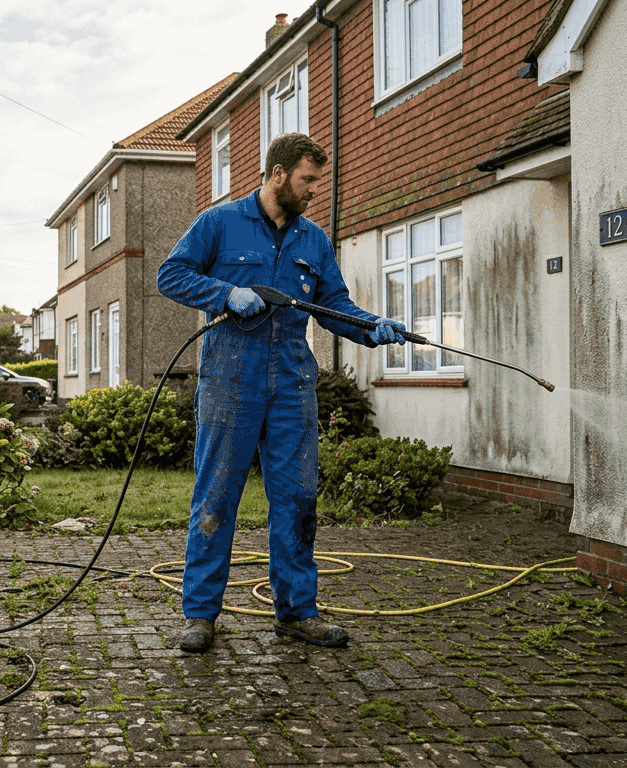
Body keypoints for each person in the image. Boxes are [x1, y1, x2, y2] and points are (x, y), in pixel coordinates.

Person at [155, 132, 407, 653]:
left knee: (296, 498)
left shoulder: (313, 240)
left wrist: (373, 327)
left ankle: (296, 612)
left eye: (317, 180)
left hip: (292, 383)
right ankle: (200, 615)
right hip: (230, 380)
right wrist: (226, 292)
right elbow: (171, 274)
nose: (315, 189)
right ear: (277, 173)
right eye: (307, 179)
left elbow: (333, 305)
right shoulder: (220, 223)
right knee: (216, 497)